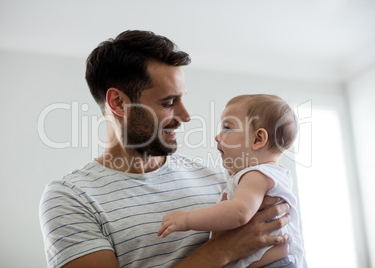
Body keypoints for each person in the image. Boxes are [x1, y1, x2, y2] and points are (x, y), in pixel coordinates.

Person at [39, 30, 291, 268]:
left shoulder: (222, 177)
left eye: (182, 98)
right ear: (118, 102)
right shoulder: (72, 198)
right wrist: (223, 250)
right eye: (169, 102)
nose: (186, 115)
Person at [158, 94, 306, 268]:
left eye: (227, 128)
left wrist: (187, 219)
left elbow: (239, 212)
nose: (217, 137)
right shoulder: (269, 174)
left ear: (258, 139)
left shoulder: (256, 175)